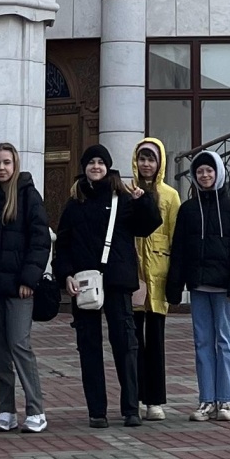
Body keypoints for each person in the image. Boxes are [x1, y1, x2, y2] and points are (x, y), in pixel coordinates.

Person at [51, 144, 159, 429]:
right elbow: (62, 245)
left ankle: (130, 408)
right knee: (89, 347)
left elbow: (148, 226)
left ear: (108, 167)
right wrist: (66, 276)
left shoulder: (123, 198)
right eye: (91, 163)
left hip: (117, 282)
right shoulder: (75, 202)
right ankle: (96, 410)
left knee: (125, 345)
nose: (96, 167)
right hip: (84, 284)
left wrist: (143, 199)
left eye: (101, 162)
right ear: (84, 167)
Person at [0, 142, 50, 432]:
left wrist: (29, 279)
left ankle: (36, 410)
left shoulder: (29, 197)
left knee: (19, 345)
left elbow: (40, 241)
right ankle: (6, 411)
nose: (1, 168)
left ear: (15, 165)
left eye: (6, 162)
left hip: (19, 289)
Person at [167, 149, 230, 420]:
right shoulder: (188, 210)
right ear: (194, 175)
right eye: (200, 171)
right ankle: (206, 400)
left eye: (209, 171)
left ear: (218, 173)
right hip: (199, 286)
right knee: (202, 342)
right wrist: (175, 285)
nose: (204, 175)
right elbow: (179, 249)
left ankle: (227, 401)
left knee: (225, 341)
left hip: (224, 287)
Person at [130, 138, 180, 420]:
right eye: (142, 158)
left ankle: (155, 401)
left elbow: (175, 238)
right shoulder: (127, 192)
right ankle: (135, 397)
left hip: (158, 276)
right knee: (134, 341)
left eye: (151, 159)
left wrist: (174, 277)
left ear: (159, 163)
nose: (146, 164)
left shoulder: (170, 196)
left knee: (156, 341)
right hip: (134, 278)